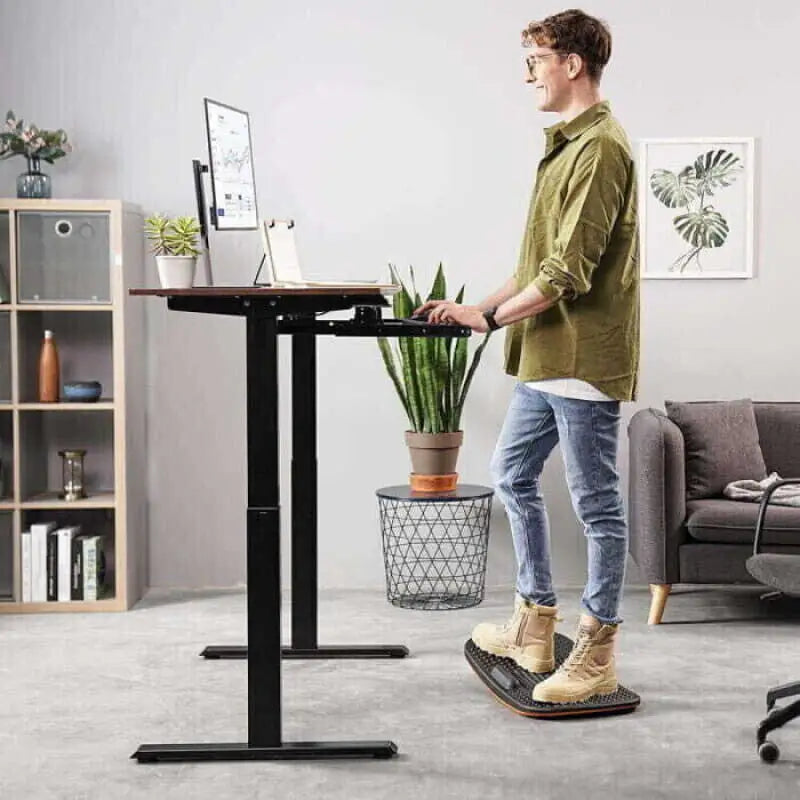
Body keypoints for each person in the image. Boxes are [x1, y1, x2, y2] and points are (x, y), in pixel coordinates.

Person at [414, 8, 639, 704]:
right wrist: (473, 308)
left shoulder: (602, 148)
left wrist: (487, 317)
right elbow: (535, 263)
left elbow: (568, 273)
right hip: (545, 353)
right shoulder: (563, 146)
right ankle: (535, 624)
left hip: (581, 354)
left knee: (596, 504)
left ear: (572, 63)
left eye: (536, 58)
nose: (528, 72)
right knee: (511, 474)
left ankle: (598, 648)